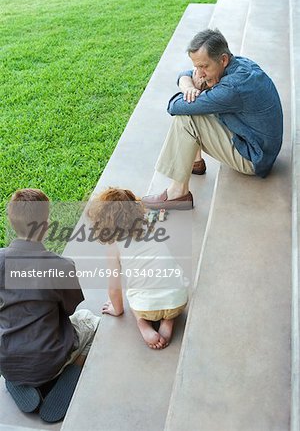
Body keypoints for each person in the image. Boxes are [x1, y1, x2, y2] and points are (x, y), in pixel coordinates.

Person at [142, 28, 283, 210]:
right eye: (197, 67)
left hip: (254, 157)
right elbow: (184, 74)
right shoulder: (238, 63)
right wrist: (188, 86)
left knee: (187, 119)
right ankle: (195, 162)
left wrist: (191, 90)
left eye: (204, 67)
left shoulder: (233, 87)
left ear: (223, 59)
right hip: (257, 143)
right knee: (199, 101)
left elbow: (174, 107)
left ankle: (178, 193)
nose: (199, 73)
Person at [0, 189, 100, 408]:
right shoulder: (61, 266)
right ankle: (67, 374)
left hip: (6, 358)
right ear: (45, 227)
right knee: (91, 321)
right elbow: (71, 309)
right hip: (49, 357)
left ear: (11, 222)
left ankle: (21, 377)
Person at [87, 187, 188, 349]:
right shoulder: (149, 228)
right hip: (178, 299)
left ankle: (143, 324)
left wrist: (117, 309)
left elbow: (114, 288)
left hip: (146, 307)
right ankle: (168, 320)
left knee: (133, 291)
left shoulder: (114, 247)